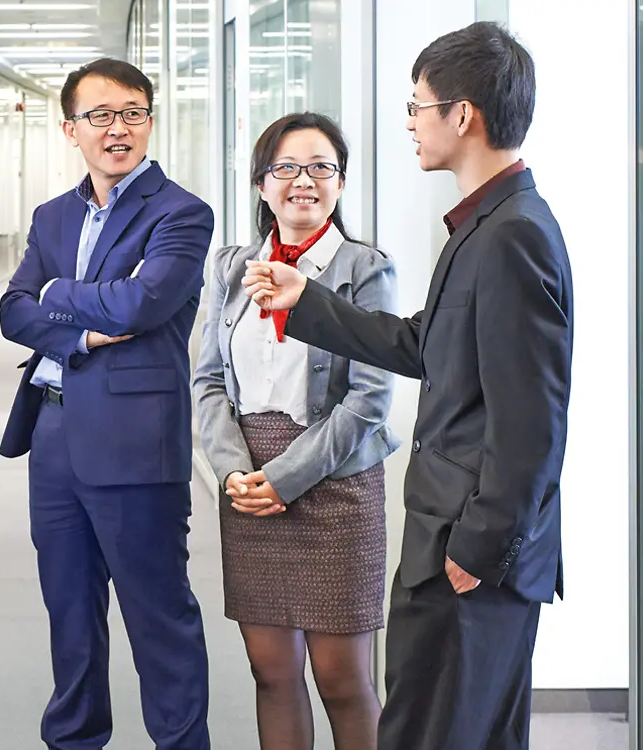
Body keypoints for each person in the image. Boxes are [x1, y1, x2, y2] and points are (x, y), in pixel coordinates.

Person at [242, 22, 572, 750]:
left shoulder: (513, 234)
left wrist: (477, 550)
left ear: (461, 115)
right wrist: (306, 301)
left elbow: (533, 423)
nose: (410, 123)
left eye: (418, 106)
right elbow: (425, 343)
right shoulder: (484, 224)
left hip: (468, 554)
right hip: (454, 542)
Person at [0, 57, 213, 749]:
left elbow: (145, 301)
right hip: (54, 437)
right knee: (69, 617)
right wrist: (87, 330)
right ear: (71, 129)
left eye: (133, 113)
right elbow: (11, 311)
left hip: (135, 442)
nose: (117, 129)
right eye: (100, 116)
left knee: (158, 619)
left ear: (150, 121)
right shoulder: (52, 215)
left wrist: (58, 296)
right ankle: (75, 740)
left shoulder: (181, 213)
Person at [193, 112, 399, 750]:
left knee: (345, 680)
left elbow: (371, 399)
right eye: (285, 167)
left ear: (340, 184)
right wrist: (234, 473)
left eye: (320, 168)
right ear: (260, 183)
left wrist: (284, 479)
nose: (302, 181)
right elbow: (206, 384)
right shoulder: (231, 267)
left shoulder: (365, 268)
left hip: (334, 486)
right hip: (249, 483)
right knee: (272, 674)